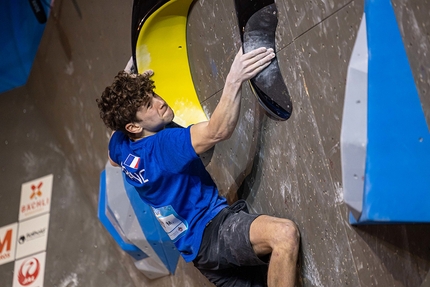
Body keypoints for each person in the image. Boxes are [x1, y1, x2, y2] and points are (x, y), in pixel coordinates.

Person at [96, 47, 299, 287]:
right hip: (214, 232)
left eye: (153, 94)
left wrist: (128, 80)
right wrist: (234, 78)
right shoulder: (163, 146)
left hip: (198, 253)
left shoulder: (122, 146)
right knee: (284, 235)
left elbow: (111, 150)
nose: (160, 102)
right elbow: (218, 130)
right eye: (149, 106)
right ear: (133, 127)